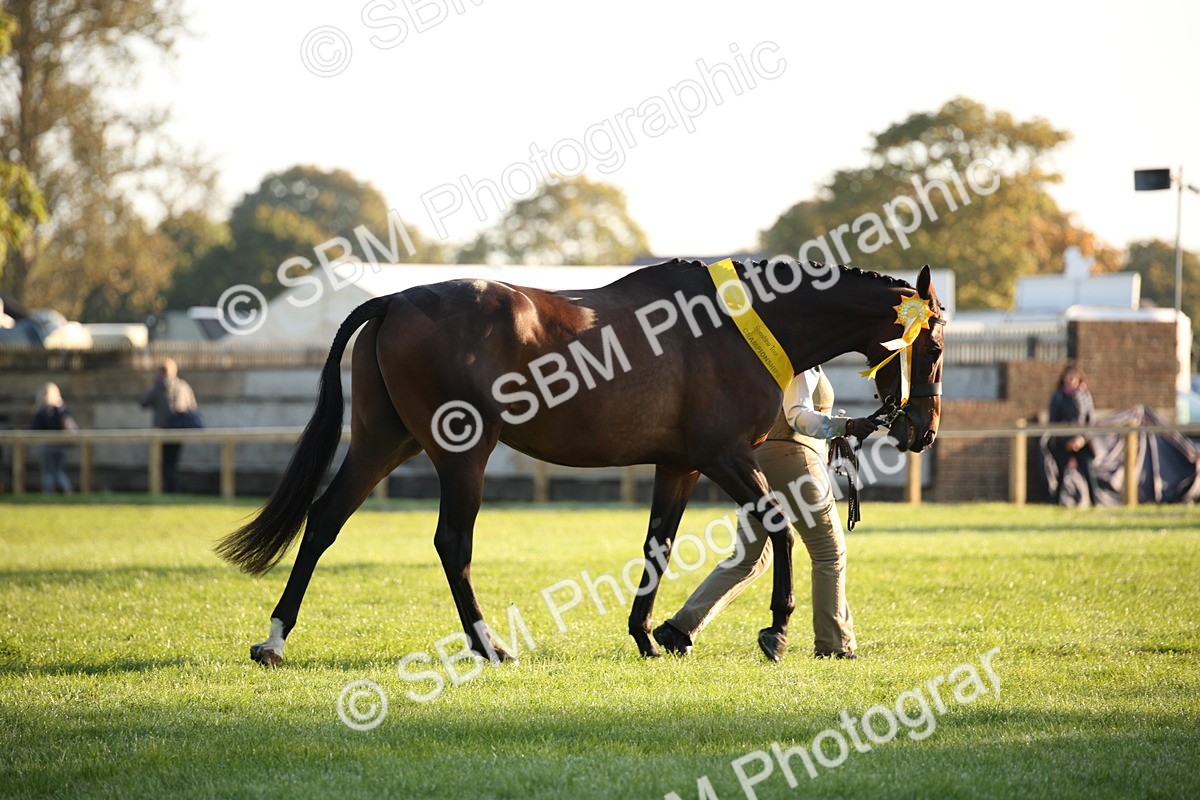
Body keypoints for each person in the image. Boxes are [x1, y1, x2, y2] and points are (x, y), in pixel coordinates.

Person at [653, 366, 878, 661]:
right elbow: (799, 417)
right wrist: (844, 426)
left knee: (749, 558)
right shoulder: (802, 362)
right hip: (795, 459)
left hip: (755, 462)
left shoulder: (765, 358)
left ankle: (679, 628)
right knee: (828, 553)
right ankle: (835, 645)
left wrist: (836, 427)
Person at [139, 358, 202, 493]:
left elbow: (143, 402)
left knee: (163, 462)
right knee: (172, 461)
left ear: (161, 371)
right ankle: (173, 487)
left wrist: (152, 385)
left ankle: (172, 488)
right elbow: (192, 407)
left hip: (163, 430)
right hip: (180, 429)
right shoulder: (183, 386)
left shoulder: (158, 387)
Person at [1048, 363, 1099, 506]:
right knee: (1060, 474)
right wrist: (1067, 441)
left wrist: (1081, 439)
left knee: (1088, 472)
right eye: (1068, 376)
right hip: (1064, 442)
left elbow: (1090, 421)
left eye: (1073, 376)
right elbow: (1053, 422)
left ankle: (1094, 503)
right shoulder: (1058, 397)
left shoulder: (1085, 396)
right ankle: (1056, 504)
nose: (1070, 379)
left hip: (1081, 442)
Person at [30, 382, 77, 494]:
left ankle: (48, 494)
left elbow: (35, 429)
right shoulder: (62, 409)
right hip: (61, 446)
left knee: (47, 472)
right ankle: (67, 491)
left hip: (47, 445)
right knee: (58, 471)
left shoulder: (42, 410)